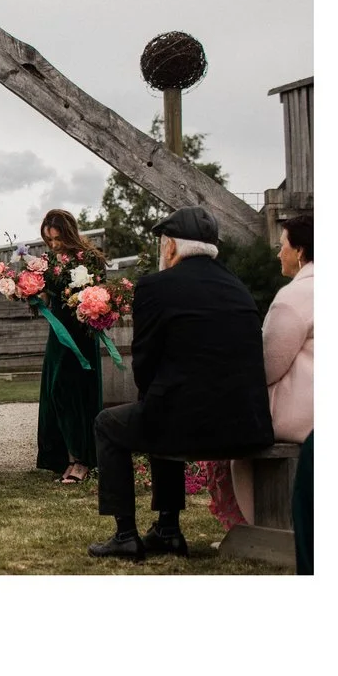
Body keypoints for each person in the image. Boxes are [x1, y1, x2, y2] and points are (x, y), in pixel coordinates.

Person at [86, 207, 275, 562]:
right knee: (162, 405)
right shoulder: (237, 287)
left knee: (111, 423)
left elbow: (144, 363)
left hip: (190, 425)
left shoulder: (156, 286)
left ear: (170, 247)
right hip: (247, 425)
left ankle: (126, 535)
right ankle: (167, 529)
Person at [31, 207, 105, 485]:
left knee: (75, 393)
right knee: (56, 391)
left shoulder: (92, 259)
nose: (53, 245)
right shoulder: (49, 261)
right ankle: (62, 456)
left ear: (69, 233)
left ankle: (81, 460)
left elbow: (102, 295)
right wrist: (33, 293)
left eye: (57, 239)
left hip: (82, 335)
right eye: (49, 240)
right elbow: (50, 301)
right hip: (58, 335)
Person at [262, 215, 315, 575]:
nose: (278, 253)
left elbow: (268, 365)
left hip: (304, 416)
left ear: (299, 251)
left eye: (282, 245)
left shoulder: (294, 297)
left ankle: (263, 523)